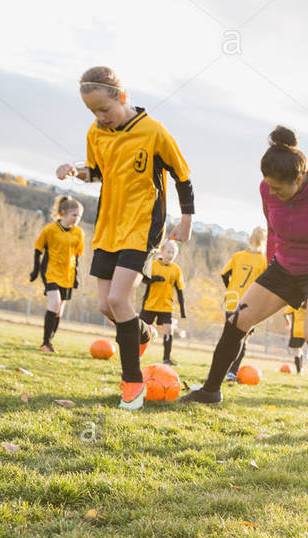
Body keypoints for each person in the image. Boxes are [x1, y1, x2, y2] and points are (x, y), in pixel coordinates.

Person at [181, 127, 308, 440]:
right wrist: (272, 263)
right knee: (237, 321)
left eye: (279, 188)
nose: (272, 193)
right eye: (268, 187)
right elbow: (272, 227)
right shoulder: (266, 187)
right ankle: (210, 390)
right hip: (284, 266)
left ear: (298, 179)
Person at [56, 65, 194, 409]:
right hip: (108, 226)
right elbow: (97, 173)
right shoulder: (96, 132)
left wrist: (187, 218)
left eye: (105, 109)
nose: (100, 118)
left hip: (142, 224)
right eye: (93, 112)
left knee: (119, 300)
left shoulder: (153, 132)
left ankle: (133, 385)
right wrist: (75, 170)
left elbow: (182, 175)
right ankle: (143, 334)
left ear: (123, 97)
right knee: (106, 305)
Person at [30, 195, 85, 354]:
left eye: (79, 216)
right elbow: (38, 249)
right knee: (54, 304)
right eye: (74, 215)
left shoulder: (79, 233)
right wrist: (35, 270)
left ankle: (49, 340)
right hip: (51, 272)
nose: (76, 219)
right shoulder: (50, 229)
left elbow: (77, 257)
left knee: (59, 310)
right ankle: (45, 342)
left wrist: (76, 277)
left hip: (67, 275)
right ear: (63, 213)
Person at [219, 228, 268, 379]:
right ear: (264, 242)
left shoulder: (238, 256)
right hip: (250, 302)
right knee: (243, 338)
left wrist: (231, 287)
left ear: (250, 239)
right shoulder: (264, 261)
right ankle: (232, 372)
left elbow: (224, 274)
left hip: (232, 299)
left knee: (228, 336)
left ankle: (219, 370)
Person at [139, 240, 186, 366]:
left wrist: (183, 310)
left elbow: (180, 290)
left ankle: (166, 359)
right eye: (169, 251)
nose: (171, 255)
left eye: (173, 252)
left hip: (166, 306)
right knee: (142, 330)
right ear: (162, 251)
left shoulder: (176, 269)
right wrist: (154, 279)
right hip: (151, 304)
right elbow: (143, 279)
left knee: (168, 330)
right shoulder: (153, 265)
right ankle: (137, 355)